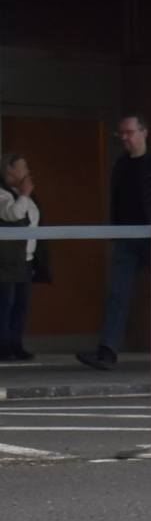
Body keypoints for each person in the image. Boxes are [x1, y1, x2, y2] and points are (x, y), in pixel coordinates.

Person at [79, 115, 151, 371]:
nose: (124, 137)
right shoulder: (121, 165)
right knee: (118, 293)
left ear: (144, 132)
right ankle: (106, 351)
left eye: (129, 132)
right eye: (121, 134)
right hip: (127, 239)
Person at [0, 152, 37, 364]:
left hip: (25, 258)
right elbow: (12, 213)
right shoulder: (3, 194)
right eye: (23, 167)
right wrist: (24, 195)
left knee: (21, 304)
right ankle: (3, 345)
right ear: (10, 170)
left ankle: (16, 343)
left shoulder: (26, 194)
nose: (28, 172)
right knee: (6, 303)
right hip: (6, 260)